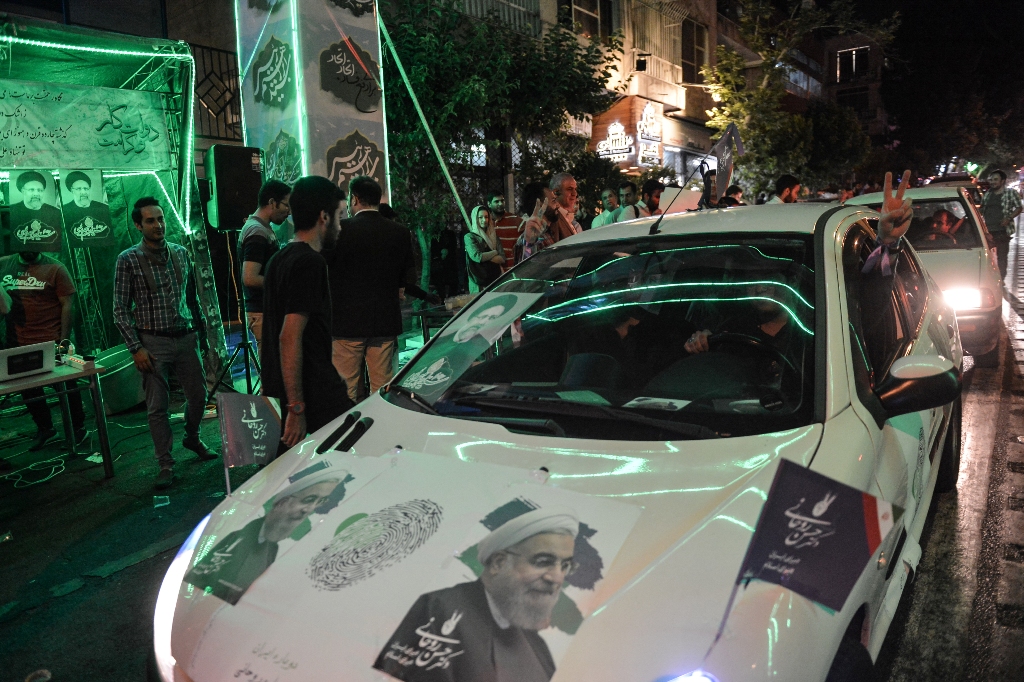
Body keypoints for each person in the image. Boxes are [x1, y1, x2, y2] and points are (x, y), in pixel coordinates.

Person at [686, 170, 915, 358]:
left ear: (791, 279)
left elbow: (871, 297)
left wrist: (887, 242)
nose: (760, 286)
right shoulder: (733, 326)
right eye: (753, 277)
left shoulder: (821, 325)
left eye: (770, 275)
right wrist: (702, 341)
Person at [374, 507, 579, 682]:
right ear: (499, 563)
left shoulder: (535, 645)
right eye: (543, 562)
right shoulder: (437, 608)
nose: (557, 577)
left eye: (565, 566)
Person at [113, 198, 215, 490]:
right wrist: (135, 348)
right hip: (152, 342)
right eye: (150, 221)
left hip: (185, 337)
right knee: (157, 407)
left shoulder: (181, 254)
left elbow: (192, 299)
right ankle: (165, 464)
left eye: (160, 219)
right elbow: (119, 308)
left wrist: (202, 335)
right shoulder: (128, 259)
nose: (158, 225)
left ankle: (192, 438)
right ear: (137, 225)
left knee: (198, 396)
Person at [262, 175, 352, 448]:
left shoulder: (279, 258)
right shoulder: (309, 263)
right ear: (323, 216)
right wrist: (297, 408)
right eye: (339, 216)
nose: (340, 225)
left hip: (289, 391)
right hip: (314, 394)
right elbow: (289, 336)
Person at [324, 175, 417, 404]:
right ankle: (381, 433)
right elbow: (406, 278)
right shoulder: (400, 232)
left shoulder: (340, 230)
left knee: (346, 387)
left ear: (355, 199)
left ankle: (347, 435)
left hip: (346, 323)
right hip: (384, 321)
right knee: (382, 387)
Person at [185, 471, 343, 604]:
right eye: (308, 500)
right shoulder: (239, 536)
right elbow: (202, 588)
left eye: (320, 502)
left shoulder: (274, 547)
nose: (310, 510)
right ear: (283, 502)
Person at [0, 252, 87, 451]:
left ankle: (78, 428)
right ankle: (46, 429)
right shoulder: (5, 264)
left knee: (67, 387)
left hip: (51, 340)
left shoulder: (56, 268)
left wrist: (63, 341)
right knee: (29, 390)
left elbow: (68, 305)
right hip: (19, 342)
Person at [239, 180, 291, 350]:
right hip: (262, 311)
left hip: (265, 310)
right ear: (271, 202)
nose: (288, 212)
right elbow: (249, 277)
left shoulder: (261, 228)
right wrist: (282, 283)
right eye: (286, 205)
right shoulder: (257, 231)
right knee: (273, 371)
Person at [980, 169, 1022, 277]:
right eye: (991, 180)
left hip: (1002, 231)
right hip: (987, 232)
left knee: (1002, 257)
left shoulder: (1010, 193)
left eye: (995, 179)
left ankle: (1001, 279)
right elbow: (981, 210)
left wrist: (1008, 218)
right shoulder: (988, 194)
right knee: (987, 257)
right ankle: (991, 278)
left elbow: (1019, 207)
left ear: (1002, 181)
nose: (992, 182)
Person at [11, 171, 63, 250]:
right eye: (32, 190)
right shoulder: (11, 211)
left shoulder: (55, 213)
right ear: (23, 191)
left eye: (40, 190)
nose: (36, 194)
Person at [61, 171, 112, 243]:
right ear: (72, 190)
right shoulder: (64, 211)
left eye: (86, 189)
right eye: (79, 189)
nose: (83, 192)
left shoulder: (103, 208)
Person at [465, 205, 505, 293]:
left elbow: (502, 258)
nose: (484, 220)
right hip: (478, 281)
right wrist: (495, 252)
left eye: (486, 217)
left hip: (495, 278)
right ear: (475, 219)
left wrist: (486, 256)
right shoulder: (470, 237)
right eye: (480, 217)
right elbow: (477, 256)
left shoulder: (494, 236)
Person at [487, 191, 521, 262]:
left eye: (502, 201)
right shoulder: (486, 223)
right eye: (496, 202)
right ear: (489, 204)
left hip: (513, 268)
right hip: (494, 269)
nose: (500, 204)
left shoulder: (515, 220)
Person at [548, 172, 583, 240]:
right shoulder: (552, 220)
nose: (575, 193)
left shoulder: (570, 220)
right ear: (555, 193)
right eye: (569, 189)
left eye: (575, 189)